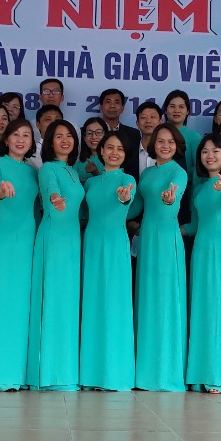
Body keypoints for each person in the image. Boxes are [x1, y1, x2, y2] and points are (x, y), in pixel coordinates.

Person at [0, 117, 39, 390]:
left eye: (26, 135)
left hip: (28, 237)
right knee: (2, 300)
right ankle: (1, 374)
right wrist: (2, 191)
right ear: (6, 139)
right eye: (15, 134)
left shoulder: (32, 171)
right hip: (3, 238)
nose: (20, 139)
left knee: (23, 302)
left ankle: (20, 373)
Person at [27, 120, 85, 391]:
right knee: (52, 299)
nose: (65, 140)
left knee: (67, 301)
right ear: (49, 142)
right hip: (54, 238)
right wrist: (54, 198)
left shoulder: (73, 170)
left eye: (69, 135)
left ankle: (64, 370)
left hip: (72, 239)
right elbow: (50, 188)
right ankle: (49, 374)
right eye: (58, 136)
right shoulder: (48, 168)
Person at [185, 134, 221, 393]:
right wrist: (169, 229)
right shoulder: (199, 189)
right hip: (201, 250)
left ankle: (220, 375)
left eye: (216, 151)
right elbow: (195, 225)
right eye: (205, 151)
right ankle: (201, 373)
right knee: (203, 309)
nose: (210, 156)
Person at [132, 123, 188, 391]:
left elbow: (172, 200)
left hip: (166, 238)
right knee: (148, 297)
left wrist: (168, 200)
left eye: (171, 142)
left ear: (177, 146)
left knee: (165, 299)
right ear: (152, 144)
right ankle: (145, 371)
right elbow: (135, 207)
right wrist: (119, 201)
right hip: (147, 238)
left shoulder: (178, 172)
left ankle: (166, 371)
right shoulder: (147, 174)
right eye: (161, 141)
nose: (165, 146)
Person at [80, 132, 137, 391]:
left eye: (120, 149)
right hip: (92, 243)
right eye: (110, 147)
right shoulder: (91, 183)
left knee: (114, 304)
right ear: (100, 151)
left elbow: (127, 199)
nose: (114, 152)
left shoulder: (127, 180)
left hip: (115, 244)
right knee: (93, 302)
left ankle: (115, 374)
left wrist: (124, 197)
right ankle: (91, 374)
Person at [98, 88, 142, 180]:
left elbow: (134, 164)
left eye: (117, 102)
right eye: (108, 102)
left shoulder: (134, 134)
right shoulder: (90, 132)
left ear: (122, 108)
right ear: (101, 107)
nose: (112, 106)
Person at [162, 88, 202, 175]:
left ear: (187, 111)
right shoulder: (158, 134)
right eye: (172, 106)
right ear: (165, 110)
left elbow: (199, 167)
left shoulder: (194, 137)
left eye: (181, 107)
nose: (177, 110)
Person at [32, 103, 64, 170]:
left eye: (57, 120)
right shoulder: (32, 153)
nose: (53, 123)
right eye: (48, 119)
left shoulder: (66, 148)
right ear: (38, 124)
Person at [135, 101, 163, 175]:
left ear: (160, 122)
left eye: (152, 117)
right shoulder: (129, 150)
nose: (148, 121)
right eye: (143, 117)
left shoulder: (167, 150)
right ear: (137, 123)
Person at [75, 117, 106, 182]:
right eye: (89, 133)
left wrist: (95, 173)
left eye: (98, 132)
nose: (94, 137)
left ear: (105, 135)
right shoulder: (78, 162)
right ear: (84, 137)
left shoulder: (112, 159)